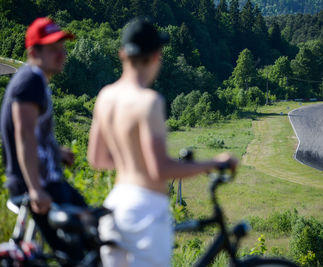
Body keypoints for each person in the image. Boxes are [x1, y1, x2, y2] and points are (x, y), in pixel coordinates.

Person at [87, 17, 237, 267]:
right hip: (145, 211)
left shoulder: (106, 96)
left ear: (122, 54)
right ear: (157, 56)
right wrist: (214, 162)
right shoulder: (149, 102)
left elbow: (97, 159)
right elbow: (160, 169)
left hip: (114, 205)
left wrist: (132, 163)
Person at [0, 17, 87, 261]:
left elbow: (33, 133)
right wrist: (36, 190)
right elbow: (24, 135)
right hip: (39, 187)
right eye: (52, 49)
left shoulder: (36, 80)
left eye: (62, 47)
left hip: (49, 181)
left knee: (94, 232)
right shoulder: (30, 81)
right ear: (33, 52)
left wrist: (56, 151)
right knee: (78, 255)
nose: (61, 54)